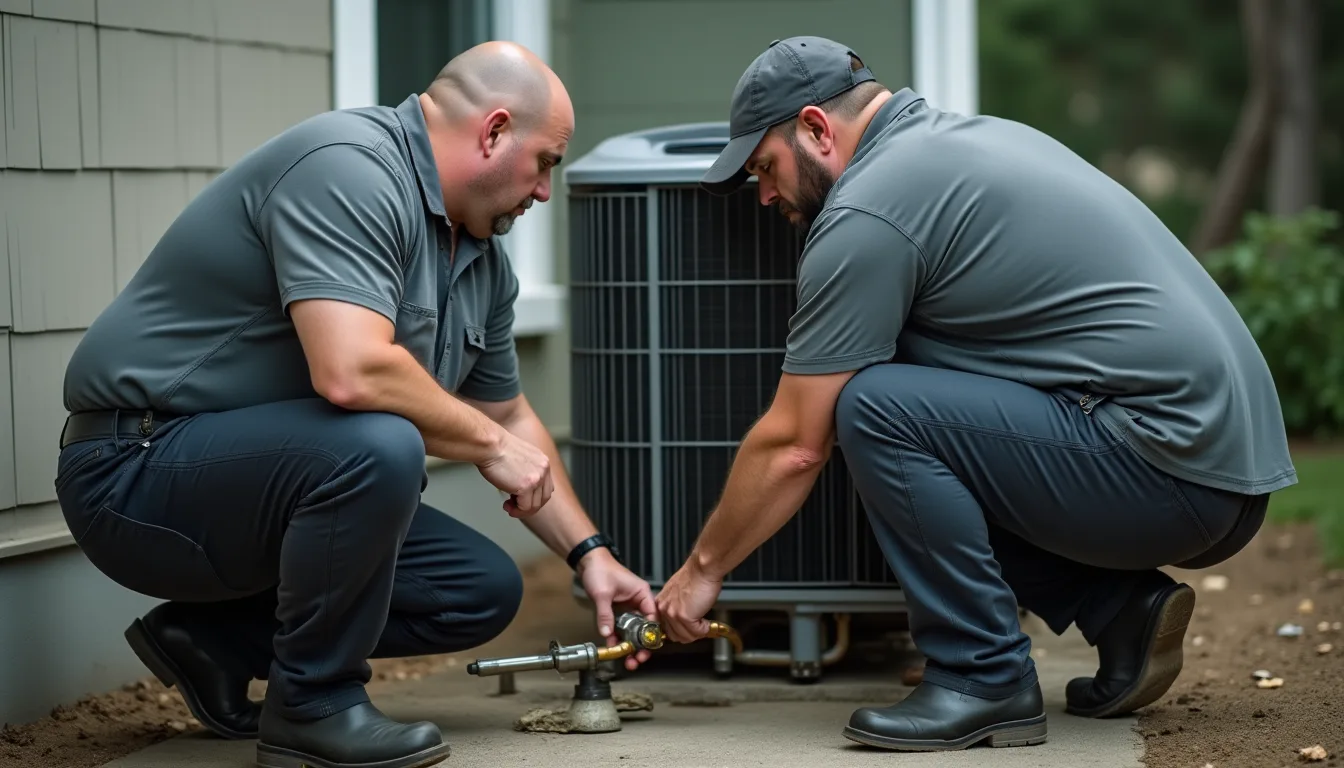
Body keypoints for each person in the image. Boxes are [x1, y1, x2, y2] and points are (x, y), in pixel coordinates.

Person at [654, 36, 1296, 752]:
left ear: (815, 128)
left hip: (1173, 468)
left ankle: (981, 675)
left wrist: (701, 571)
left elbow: (795, 446)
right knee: (903, 384)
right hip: (1222, 463)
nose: (766, 194)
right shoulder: (973, 142)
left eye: (765, 167)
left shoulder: (869, 211)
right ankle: (1118, 609)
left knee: (873, 408)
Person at [54, 41, 654, 768]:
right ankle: (313, 706)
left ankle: (212, 643)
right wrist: (494, 449)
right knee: (379, 442)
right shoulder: (350, 168)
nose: (545, 191)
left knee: (477, 589)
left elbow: (508, 418)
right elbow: (352, 370)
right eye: (546, 162)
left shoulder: (480, 262)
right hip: (137, 471)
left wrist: (590, 556)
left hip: (261, 485)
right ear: (494, 132)